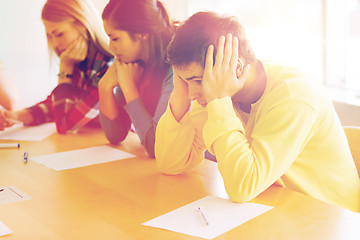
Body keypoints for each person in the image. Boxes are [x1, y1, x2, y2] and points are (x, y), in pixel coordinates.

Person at [155, 11, 360, 212]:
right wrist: (179, 96)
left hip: (333, 220)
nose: (192, 94)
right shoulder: (215, 95)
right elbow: (171, 164)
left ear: (235, 68)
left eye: (198, 81)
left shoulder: (293, 96)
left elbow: (242, 187)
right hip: (279, 212)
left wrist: (218, 100)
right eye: (184, 81)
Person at [0, 0, 113, 133]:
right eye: (50, 36)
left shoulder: (107, 67)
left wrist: (65, 69)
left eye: (59, 34)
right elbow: (58, 105)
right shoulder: (80, 62)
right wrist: (18, 116)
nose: (55, 44)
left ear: (83, 25)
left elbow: (65, 123)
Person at [99, 0, 174, 158]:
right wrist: (104, 87)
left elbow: (156, 147)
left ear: (142, 33)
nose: (111, 47)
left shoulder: (175, 70)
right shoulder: (133, 64)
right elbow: (115, 135)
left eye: (115, 38)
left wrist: (129, 88)